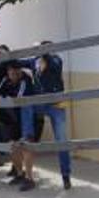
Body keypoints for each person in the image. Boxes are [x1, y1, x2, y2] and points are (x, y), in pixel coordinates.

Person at [0, 60, 37, 191]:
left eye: (14, 71)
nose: (12, 74)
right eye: (10, 71)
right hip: (14, 117)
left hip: (26, 114)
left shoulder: (25, 80)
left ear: (19, 71)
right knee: (12, 145)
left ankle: (30, 179)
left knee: (26, 145)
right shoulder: (6, 79)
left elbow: (18, 98)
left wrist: (2, 98)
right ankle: (19, 174)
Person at [23, 42, 72, 190]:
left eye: (46, 50)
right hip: (41, 103)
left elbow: (52, 63)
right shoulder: (34, 61)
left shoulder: (56, 60)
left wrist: (44, 52)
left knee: (61, 140)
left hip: (56, 105)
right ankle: (28, 135)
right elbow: (18, 62)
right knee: (26, 103)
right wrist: (3, 55)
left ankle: (66, 176)